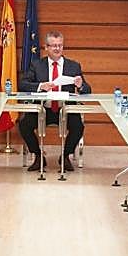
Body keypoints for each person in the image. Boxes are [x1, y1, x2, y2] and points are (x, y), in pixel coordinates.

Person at [18, 30, 92, 172]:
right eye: (53, 46)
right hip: (43, 109)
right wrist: (41, 86)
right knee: (24, 125)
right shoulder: (37, 65)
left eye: (60, 45)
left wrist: (80, 85)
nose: (57, 49)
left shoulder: (73, 66)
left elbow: (88, 90)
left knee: (78, 127)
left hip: (65, 109)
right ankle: (39, 156)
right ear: (46, 47)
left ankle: (65, 156)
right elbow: (23, 84)